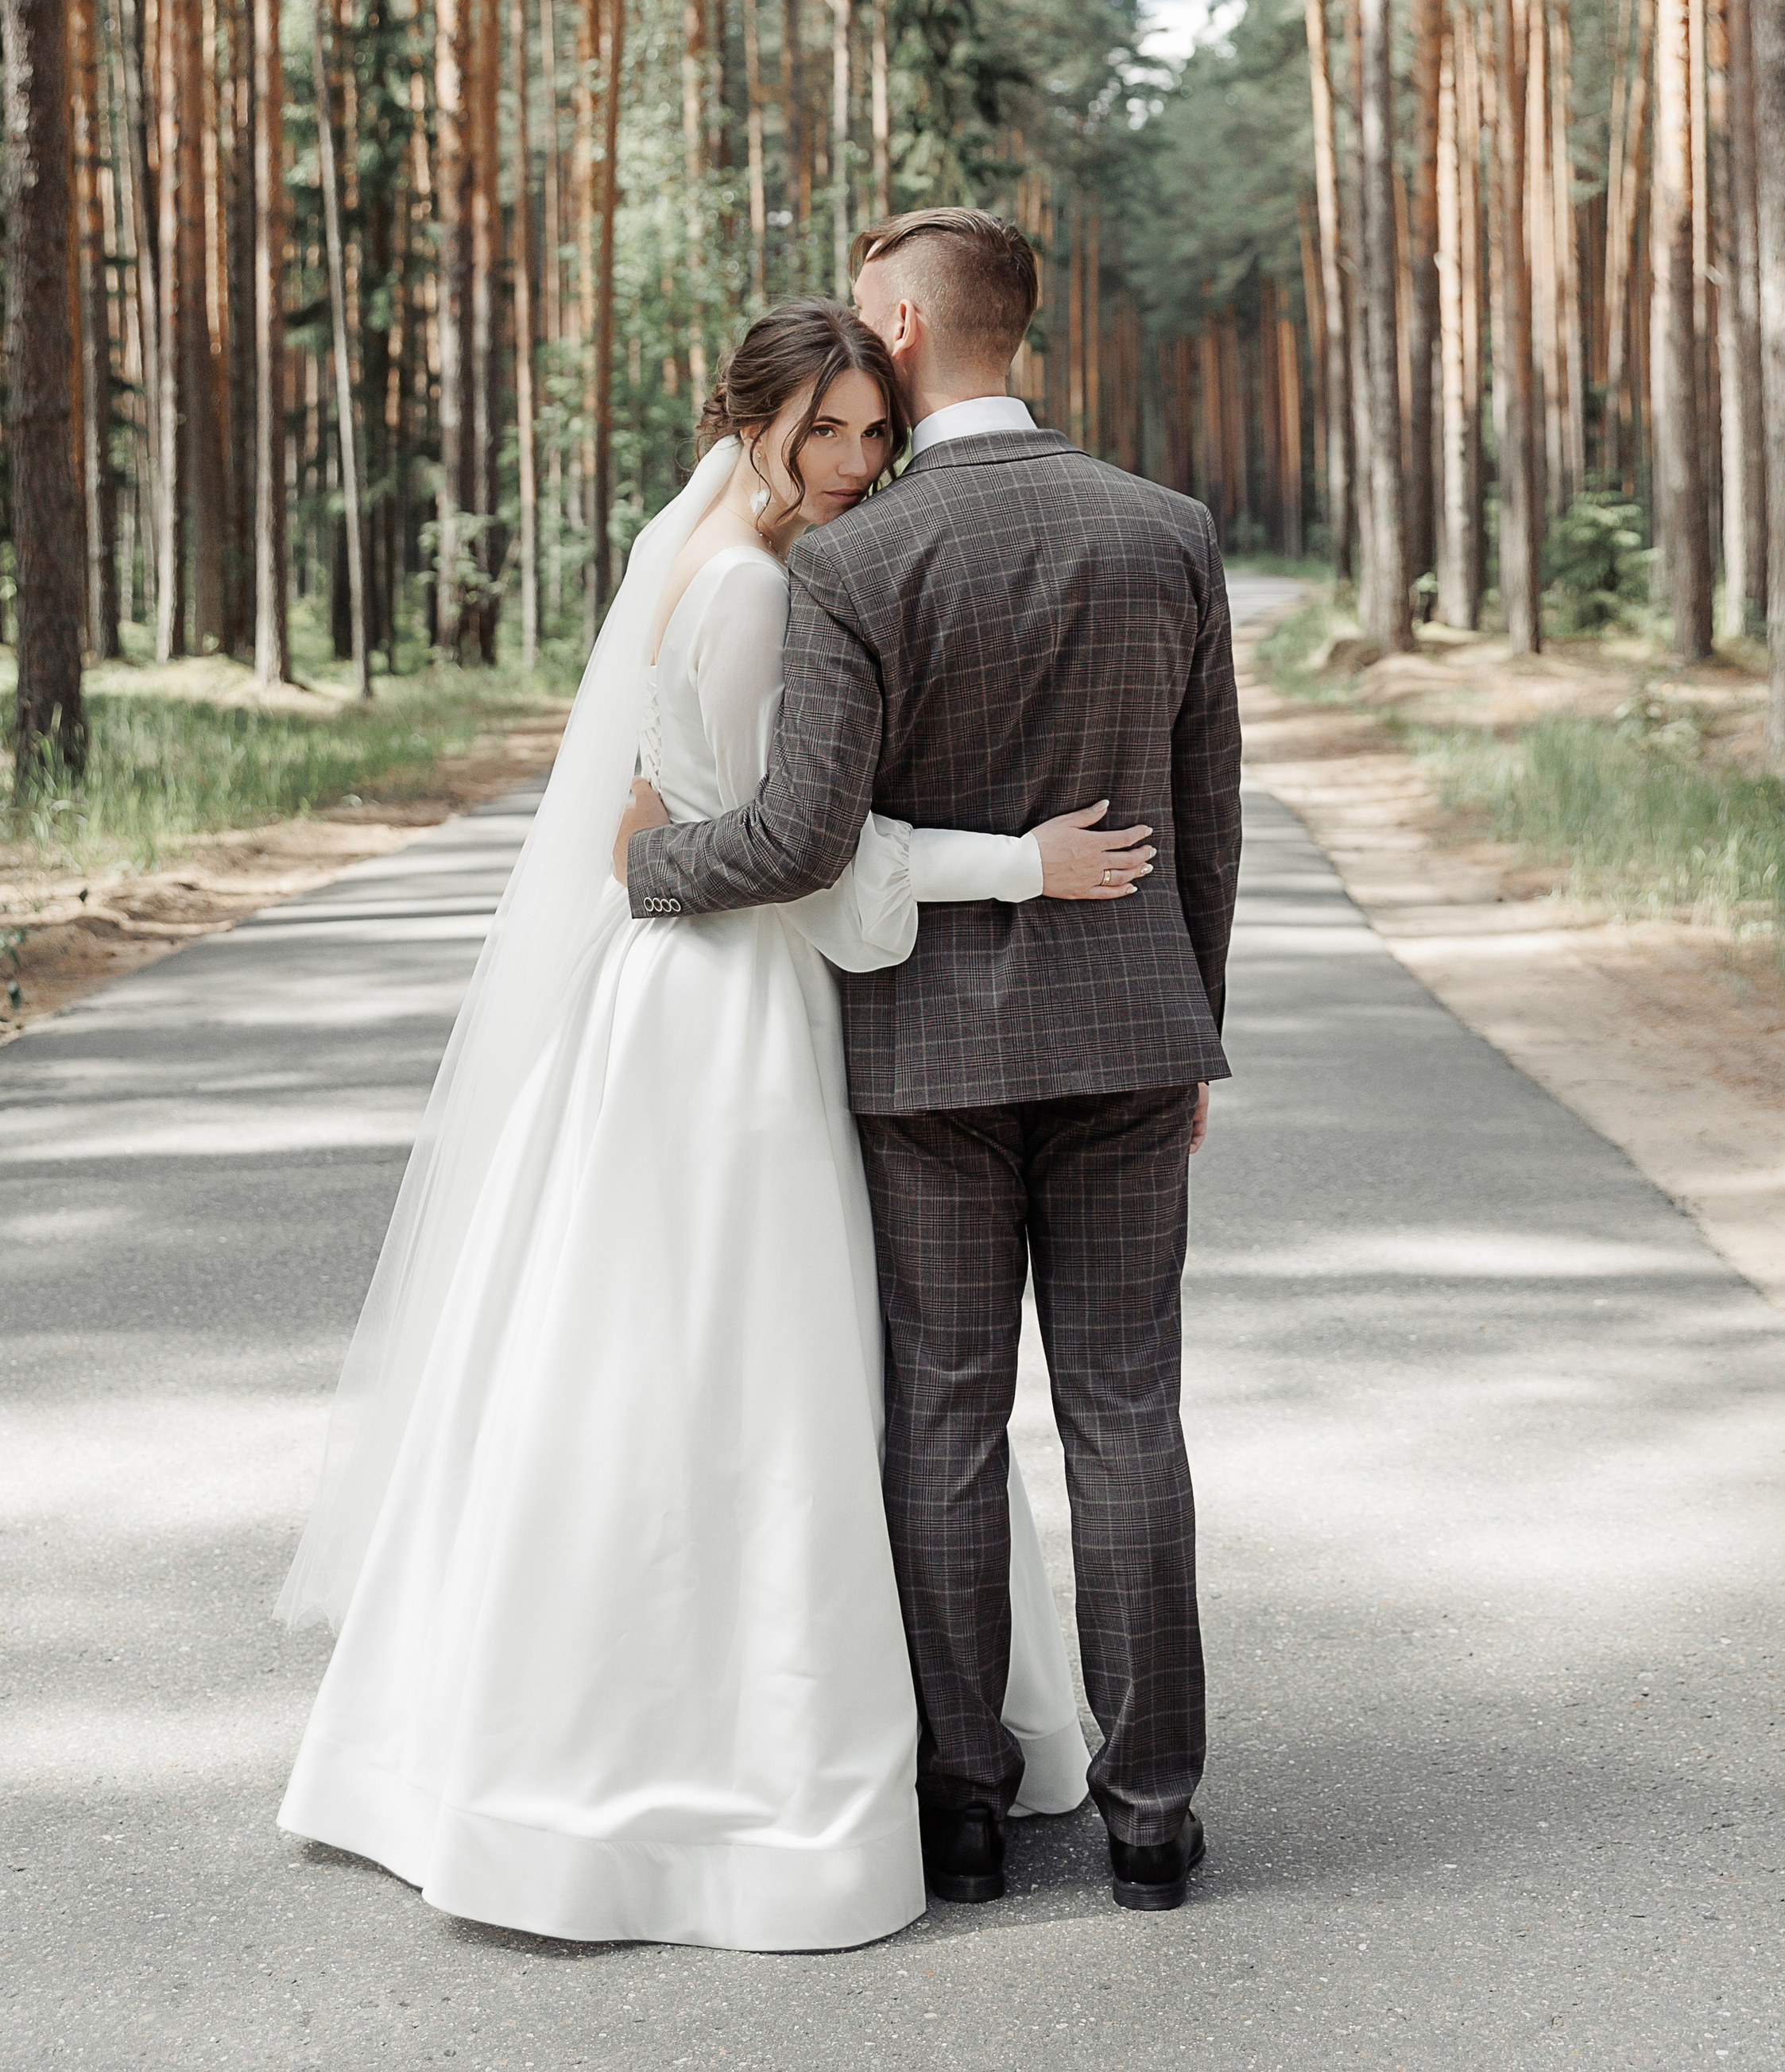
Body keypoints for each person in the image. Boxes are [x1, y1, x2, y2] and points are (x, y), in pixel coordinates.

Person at [277, 298, 1153, 1953]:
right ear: (747, 418)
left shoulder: (696, 549)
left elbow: (688, 810)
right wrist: (1012, 864)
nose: (850, 462)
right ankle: (705, 1773)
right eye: (819, 429)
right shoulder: (757, 583)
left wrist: (668, 834)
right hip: (729, 1010)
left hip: (669, 987)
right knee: (750, 1376)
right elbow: (801, 849)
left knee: (654, 1364)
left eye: (873, 431)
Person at [621, 209, 1242, 1915]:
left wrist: (647, 867)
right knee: (1127, 1422)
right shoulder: (1167, 529)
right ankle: (1150, 1815)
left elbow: (806, 831)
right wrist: (1194, 1022)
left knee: (945, 1422)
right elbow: (1206, 821)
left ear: (893, 319)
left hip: (926, 1063)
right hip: (1128, 1040)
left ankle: (959, 1803)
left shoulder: (854, 561)